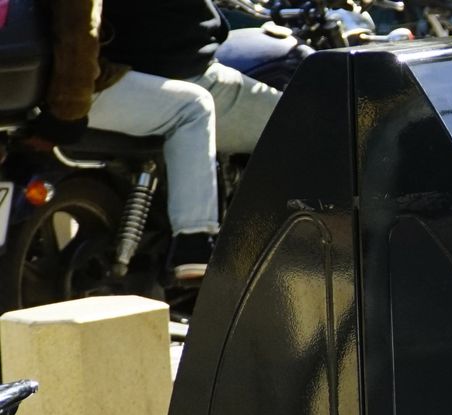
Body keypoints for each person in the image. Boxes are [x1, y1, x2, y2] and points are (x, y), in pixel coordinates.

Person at [31, 0, 280, 282]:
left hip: (69, 76)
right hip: (132, 73)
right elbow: (80, 25)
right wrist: (67, 110)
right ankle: (195, 243)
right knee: (299, 125)